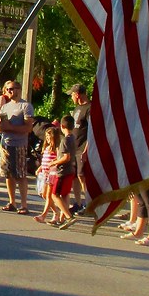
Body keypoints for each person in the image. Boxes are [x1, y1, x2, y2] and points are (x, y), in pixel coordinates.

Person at [0, 80, 34, 215]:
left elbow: (28, 128)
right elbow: (2, 125)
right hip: (5, 143)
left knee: (20, 175)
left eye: (12, 89)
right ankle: (12, 202)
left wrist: (10, 127)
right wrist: (1, 127)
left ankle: (24, 204)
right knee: (8, 174)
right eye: (7, 89)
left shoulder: (26, 106)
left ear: (18, 89)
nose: (9, 91)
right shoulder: (5, 107)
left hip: (19, 144)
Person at [48, 116, 77, 227]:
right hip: (70, 170)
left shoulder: (65, 140)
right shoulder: (72, 138)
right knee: (64, 194)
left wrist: (54, 163)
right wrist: (57, 159)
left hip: (63, 171)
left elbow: (66, 157)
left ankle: (69, 217)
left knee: (55, 195)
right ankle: (62, 219)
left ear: (62, 126)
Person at [68, 83, 91, 213]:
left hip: (83, 147)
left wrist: (86, 150)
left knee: (82, 175)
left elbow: (92, 130)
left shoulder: (89, 108)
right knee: (74, 176)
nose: (71, 97)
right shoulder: (77, 108)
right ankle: (78, 203)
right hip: (74, 147)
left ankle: (88, 203)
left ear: (77, 94)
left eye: (72, 94)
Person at [34, 127, 60, 224]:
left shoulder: (56, 149)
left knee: (49, 195)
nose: (48, 139)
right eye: (47, 137)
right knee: (44, 194)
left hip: (52, 174)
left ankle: (43, 215)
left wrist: (54, 163)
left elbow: (57, 160)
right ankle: (56, 212)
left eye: (50, 137)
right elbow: (45, 161)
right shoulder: (47, 148)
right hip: (45, 174)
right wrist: (40, 168)